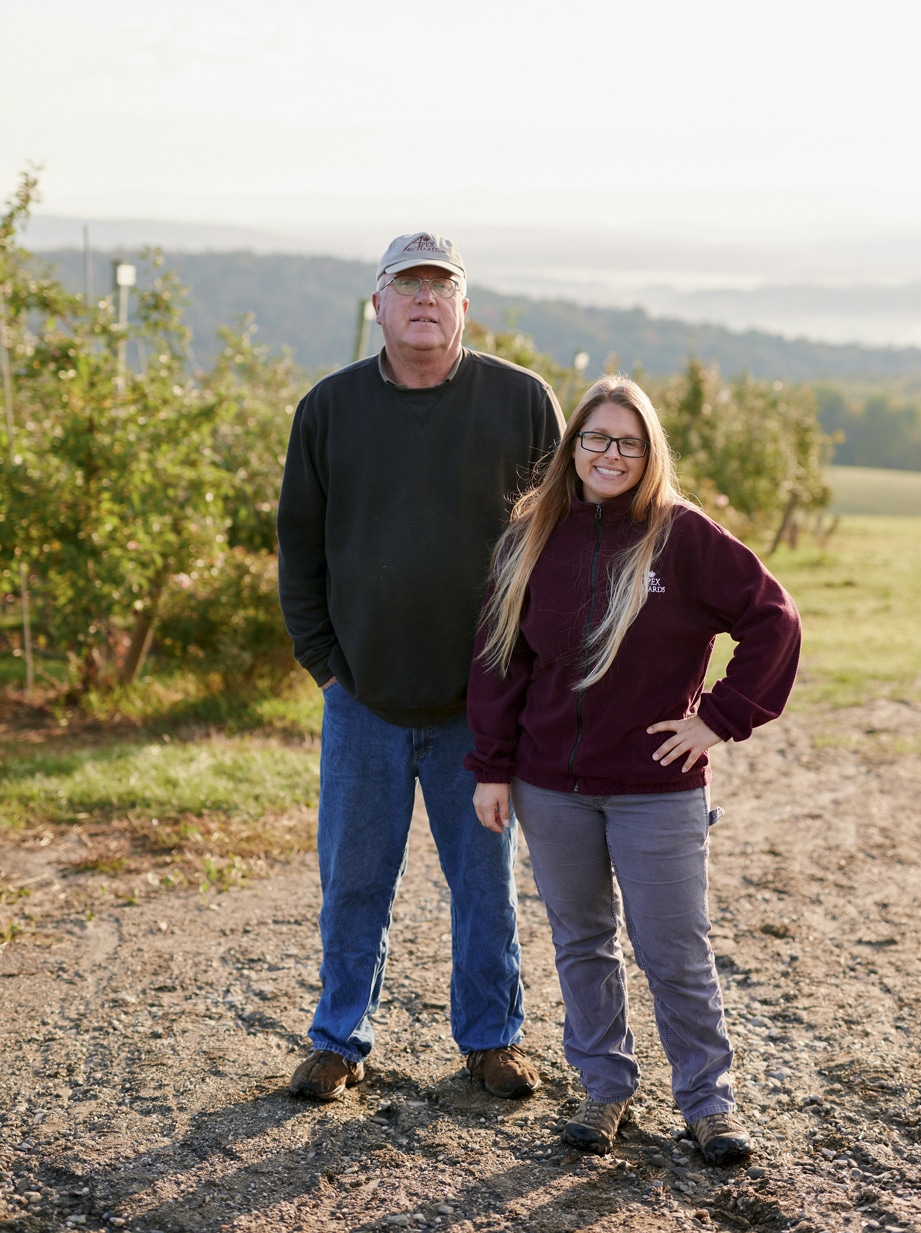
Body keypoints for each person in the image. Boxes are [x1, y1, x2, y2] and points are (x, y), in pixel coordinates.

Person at [465, 375, 801, 1160]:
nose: (610, 453)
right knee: (582, 941)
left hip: (656, 789)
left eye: (629, 441)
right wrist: (492, 765)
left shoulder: (682, 537)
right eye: (596, 438)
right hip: (552, 786)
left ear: (651, 453)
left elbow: (773, 619)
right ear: (572, 447)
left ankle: (709, 1102)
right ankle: (605, 1089)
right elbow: (498, 660)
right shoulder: (530, 536)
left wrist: (717, 717)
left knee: (672, 949)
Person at [277, 232, 563, 1102]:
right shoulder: (329, 409)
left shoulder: (520, 401)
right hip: (361, 698)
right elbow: (297, 545)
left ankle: (492, 1039)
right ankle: (339, 1038)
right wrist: (324, 663)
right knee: (353, 880)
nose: (426, 299)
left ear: (464, 306)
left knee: (484, 885)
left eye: (443, 286)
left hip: (480, 706)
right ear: (379, 305)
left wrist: (534, 675)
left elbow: (558, 542)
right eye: (409, 285)